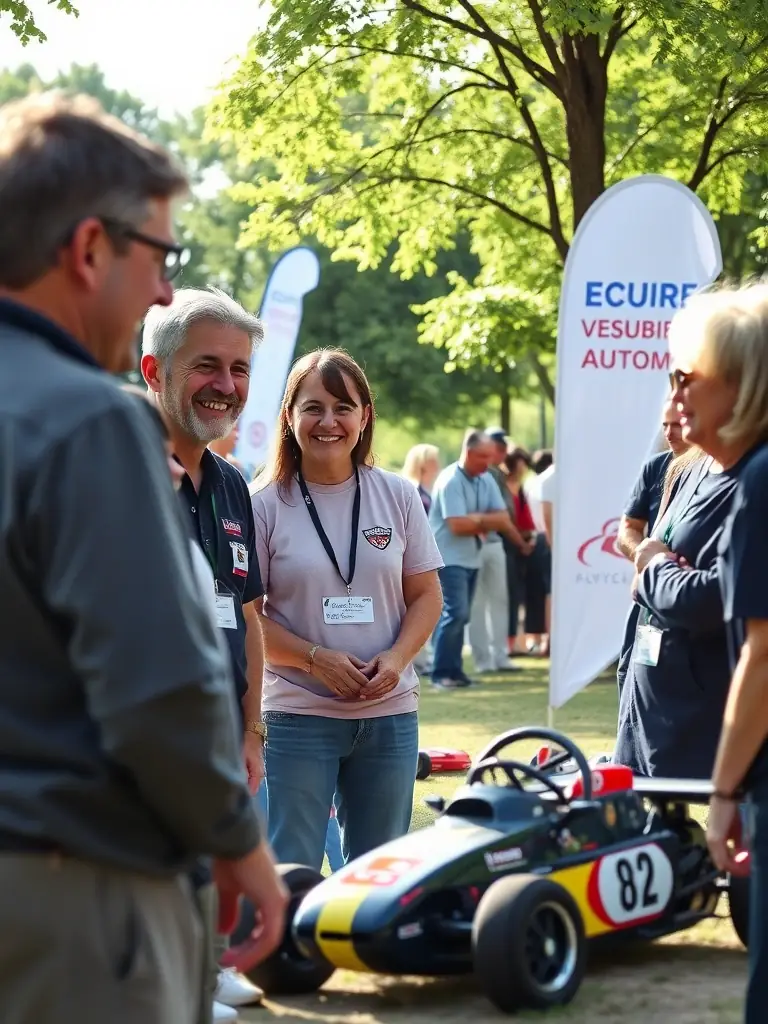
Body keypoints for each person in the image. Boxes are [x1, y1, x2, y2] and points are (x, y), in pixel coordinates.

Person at [0, 91, 287, 1024]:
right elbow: (156, 685)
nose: (165, 289)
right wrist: (236, 838)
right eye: (160, 256)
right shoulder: (88, 421)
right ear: (89, 250)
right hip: (75, 897)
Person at [250, 348, 443, 870]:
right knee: (294, 868)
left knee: (381, 872)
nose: (328, 421)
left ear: (365, 416)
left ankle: (371, 956)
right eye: (313, 407)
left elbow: (426, 595)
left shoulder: (401, 497)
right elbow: (249, 617)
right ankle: (295, 955)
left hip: (389, 713)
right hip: (298, 714)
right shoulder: (262, 504)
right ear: (290, 417)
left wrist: (397, 660)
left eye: (343, 406)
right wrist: (316, 659)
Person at [141, 287, 268, 1022]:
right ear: (154, 370)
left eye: (241, 370)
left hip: (218, 721)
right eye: (207, 367)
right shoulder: (111, 466)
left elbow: (246, 612)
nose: (227, 386)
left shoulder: (229, 483)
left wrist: (251, 727)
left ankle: (205, 968)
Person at [658, 284, 768, 1024]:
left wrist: (723, 794)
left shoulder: (760, 481)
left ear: (746, 383)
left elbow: (764, 657)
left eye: (687, 374)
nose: (676, 392)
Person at [429, 429, 529, 689]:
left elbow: (503, 518)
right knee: (456, 613)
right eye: (483, 456)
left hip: (471, 557)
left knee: (460, 616)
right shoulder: (451, 479)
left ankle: (455, 672)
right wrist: (485, 520)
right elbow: (457, 526)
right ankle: (441, 673)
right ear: (469, 453)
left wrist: (475, 518)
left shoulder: (485, 479)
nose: (488, 462)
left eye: (490, 456)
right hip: (449, 558)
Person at [615, 399, 692, 693]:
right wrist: (648, 560)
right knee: (632, 673)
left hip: (689, 600)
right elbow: (627, 530)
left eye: (677, 425)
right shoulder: (656, 467)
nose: (669, 433)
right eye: (665, 425)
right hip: (649, 599)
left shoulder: (718, 473)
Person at [467, 429, 529, 674]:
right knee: (478, 605)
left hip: (494, 544)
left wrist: (480, 519)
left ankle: (500, 656)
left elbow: (503, 517)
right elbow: (459, 521)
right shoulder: (477, 475)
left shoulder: (494, 476)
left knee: (499, 601)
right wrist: (488, 520)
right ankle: (484, 660)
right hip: (472, 546)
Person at [401, 442, 441, 514]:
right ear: (422, 464)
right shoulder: (414, 493)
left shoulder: (430, 490)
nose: (437, 465)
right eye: (433, 461)